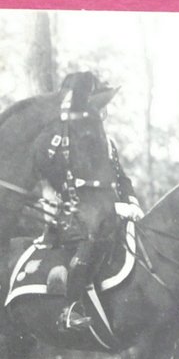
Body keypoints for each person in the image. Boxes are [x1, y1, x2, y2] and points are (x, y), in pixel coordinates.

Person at [47, 134, 144, 331]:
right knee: (92, 240)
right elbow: (69, 186)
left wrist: (133, 202)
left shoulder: (108, 142)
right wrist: (113, 208)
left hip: (107, 217)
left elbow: (121, 178)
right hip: (76, 216)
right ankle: (71, 309)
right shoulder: (72, 142)